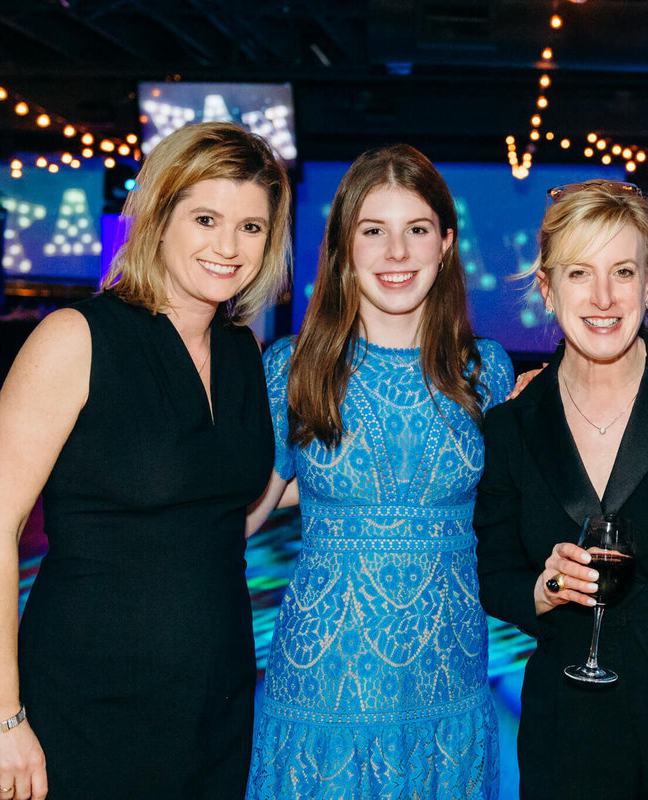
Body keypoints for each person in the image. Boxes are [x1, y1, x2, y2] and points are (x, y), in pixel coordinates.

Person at [0, 121, 292, 800]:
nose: (228, 247)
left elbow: (222, 509)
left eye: (252, 227)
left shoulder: (239, 353)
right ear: (158, 215)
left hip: (218, 699)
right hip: (89, 699)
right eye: (206, 217)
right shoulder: (76, 338)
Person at [244, 144, 514, 799]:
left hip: (447, 689)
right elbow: (244, 512)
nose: (396, 253)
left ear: (446, 244)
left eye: (416, 230)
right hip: (320, 693)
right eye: (373, 231)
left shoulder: (488, 371)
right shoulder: (292, 369)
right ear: (344, 247)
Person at [474, 180, 648, 799]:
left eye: (623, 271)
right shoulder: (514, 423)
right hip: (568, 728)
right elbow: (492, 571)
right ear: (547, 289)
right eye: (579, 273)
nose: (603, 298)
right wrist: (545, 591)